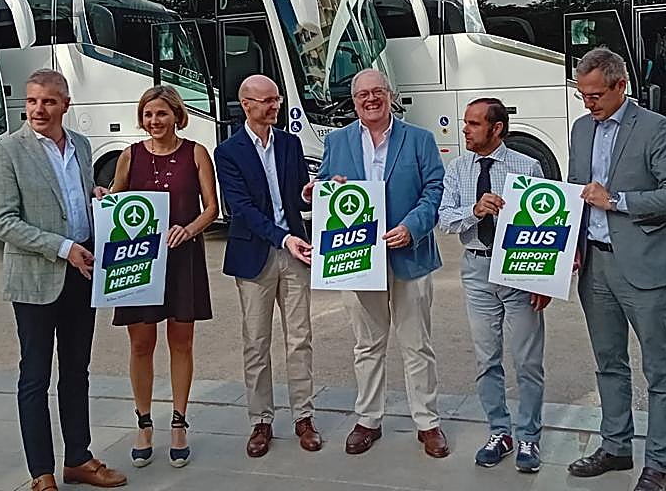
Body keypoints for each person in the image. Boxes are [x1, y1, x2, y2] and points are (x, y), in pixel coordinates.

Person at [0, 69, 126, 491]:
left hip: (81, 274)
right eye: (31, 101)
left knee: (76, 372)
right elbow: (3, 222)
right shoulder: (7, 151)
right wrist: (63, 248)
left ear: (66, 104)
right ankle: (41, 473)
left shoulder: (81, 146)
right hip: (36, 279)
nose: (38, 109)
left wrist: (96, 199)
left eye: (48, 101)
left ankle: (79, 459)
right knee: (34, 376)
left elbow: (74, 201)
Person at [564, 47, 666, 491]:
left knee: (659, 369)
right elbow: (575, 194)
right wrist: (569, 248)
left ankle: (659, 463)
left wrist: (617, 201)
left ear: (621, 86)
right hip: (594, 263)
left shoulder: (656, 129)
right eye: (582, 95)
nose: (588, 104)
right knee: (608, 363)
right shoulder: (581, 130)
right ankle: (616, 446)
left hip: (644, 266)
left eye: (596, 95)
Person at [304, 68, 448, 458]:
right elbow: (327, 184)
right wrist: (317, 189)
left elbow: (435, 189)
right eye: (362, 94)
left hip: (409, 254)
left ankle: (427, 422)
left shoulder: (420, 139)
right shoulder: (337, 140)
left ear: (390, 94)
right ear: (353, 102)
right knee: (367, 345)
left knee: (418, 345)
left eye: (377, 92)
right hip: (358, 258)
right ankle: (368, 419)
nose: (371, 99)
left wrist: (412, 227)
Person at [437, 97, 548, 473]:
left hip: (518, 270)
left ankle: (529, 437)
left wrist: (543, 278)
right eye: (465, 123)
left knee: (527, 361)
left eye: (473, 124)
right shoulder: (457, 169)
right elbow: (445, 220)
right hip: (476, 269)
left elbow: (545, 224)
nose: (465, 130)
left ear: (496, 128)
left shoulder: (527, 166)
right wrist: (475, 210)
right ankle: (500, 432)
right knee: (487, 359)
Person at [109, 86, 218, 469]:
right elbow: (114, 203)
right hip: (139, 260)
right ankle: (143, 423)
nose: (154, 121)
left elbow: (212, 208)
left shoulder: (197, 153)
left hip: (182, 256)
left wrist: (188, 230)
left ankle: (178, 422)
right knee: (140, 343)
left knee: (181, 341)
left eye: (161, 114)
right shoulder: (129, 155)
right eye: (148, 115)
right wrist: (101, 195)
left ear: (177, 115)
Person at [215, 74, 319, 458]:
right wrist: (282, 237)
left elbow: (296, 195)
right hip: (255, 253)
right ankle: (261, 421)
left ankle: (304, 416)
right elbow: (240, 209)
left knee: (300, 339)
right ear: (246, 104)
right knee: (256, 342)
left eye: (276, 99)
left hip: (295, 253)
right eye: (267, 101)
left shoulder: (290, 144)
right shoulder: (228, 151)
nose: (275, 106)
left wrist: (309, 192)